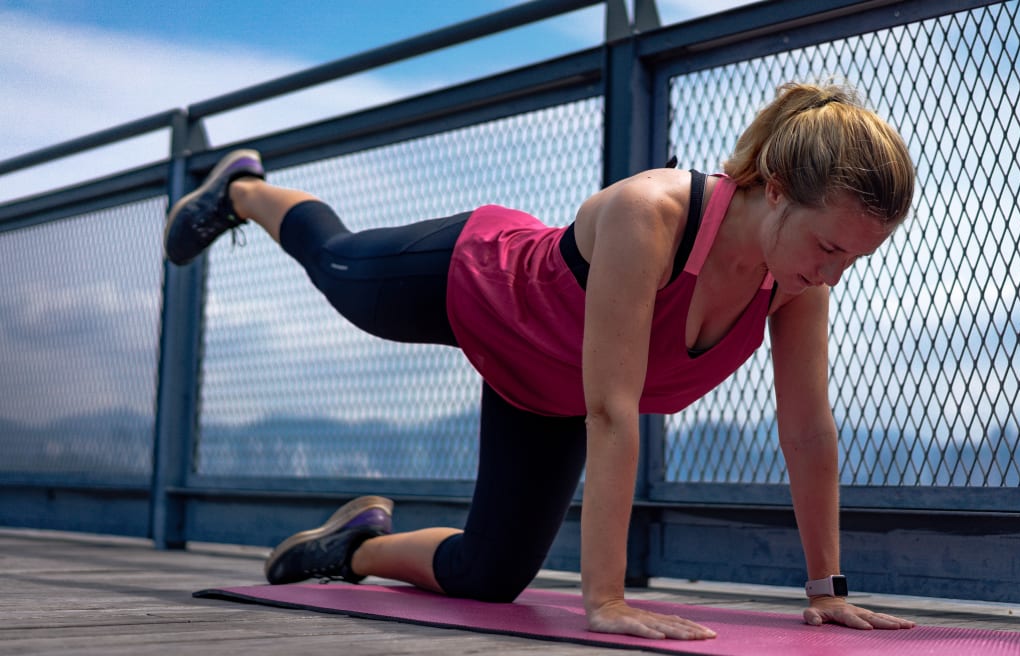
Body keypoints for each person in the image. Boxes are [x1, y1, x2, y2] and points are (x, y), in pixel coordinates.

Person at [164, 81, 917, 641]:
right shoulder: (651, 214)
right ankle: (244, 189)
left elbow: (808, 432)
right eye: (828, 247)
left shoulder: (796, 285)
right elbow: (613, 411)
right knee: (340, 273)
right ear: (777, 190)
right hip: (479, 284)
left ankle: (354, 547)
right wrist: (607, 598)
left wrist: (825, 588)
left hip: (545, 388)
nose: (834, 275)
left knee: (489, 578)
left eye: (855, 258)